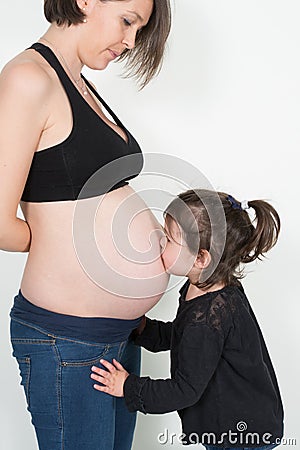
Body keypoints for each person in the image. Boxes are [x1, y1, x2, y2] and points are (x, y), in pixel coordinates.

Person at [0, 1, 171, 449]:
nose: (131, 42)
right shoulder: (28, 79)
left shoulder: (78, 83)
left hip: (118, 336)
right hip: (67, 342)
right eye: (128, 22)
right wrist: (61, 246)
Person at [91, 188, 284, 449]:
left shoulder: (207, 318)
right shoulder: (210, 289)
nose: (160, 241)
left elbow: (183, 390)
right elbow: (189, 341)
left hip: (239, 435)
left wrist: (128, 386)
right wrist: (146, 330)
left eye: (169, 239)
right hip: (245, 421)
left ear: (201, 258)